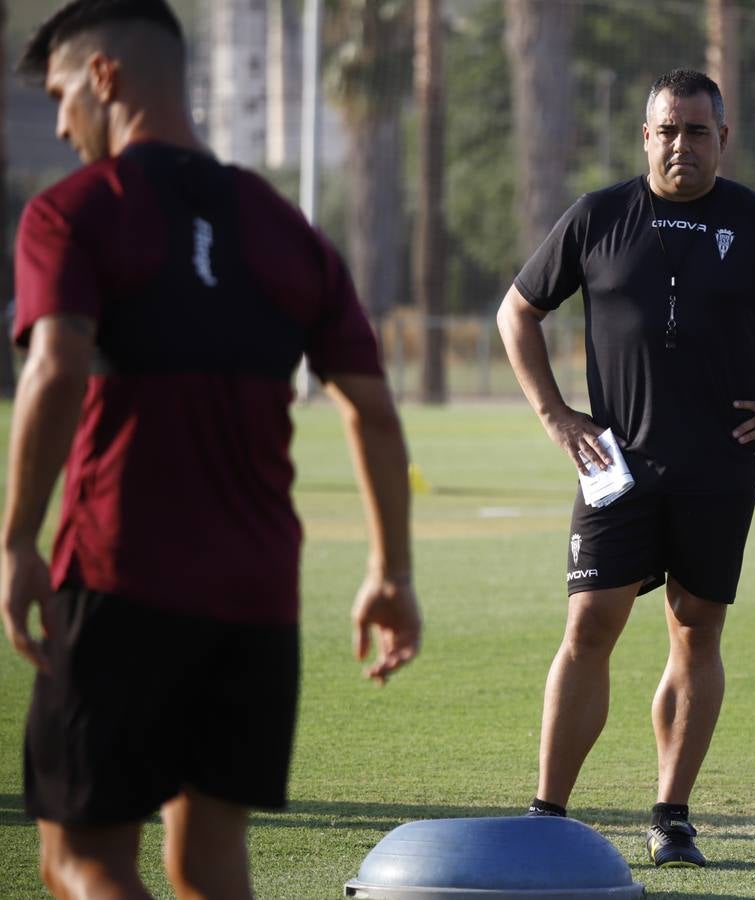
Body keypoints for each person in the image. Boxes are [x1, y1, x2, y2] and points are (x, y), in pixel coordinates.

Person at [0, 1, 422, 896]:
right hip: (257, 603)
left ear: (105, 76)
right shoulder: (286, 229)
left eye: (62, 95)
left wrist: (14, 541)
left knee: (80, 857)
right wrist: (390, 570)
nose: (65, 125)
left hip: (122, 580)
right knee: (209, 862)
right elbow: (374, 415)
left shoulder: (74, 211)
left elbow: (55, 370)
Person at [497, 68, 755, 868]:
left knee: (695, 630)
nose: (681, 145)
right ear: (645, 136)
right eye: (666, 130)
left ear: (722, 139)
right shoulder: (598, 217)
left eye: (697, 131)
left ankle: (671, 817)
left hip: (721, 467)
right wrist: (557, 416)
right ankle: (547, 814)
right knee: (590, 624)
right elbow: (517, 311)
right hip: (616, 468)